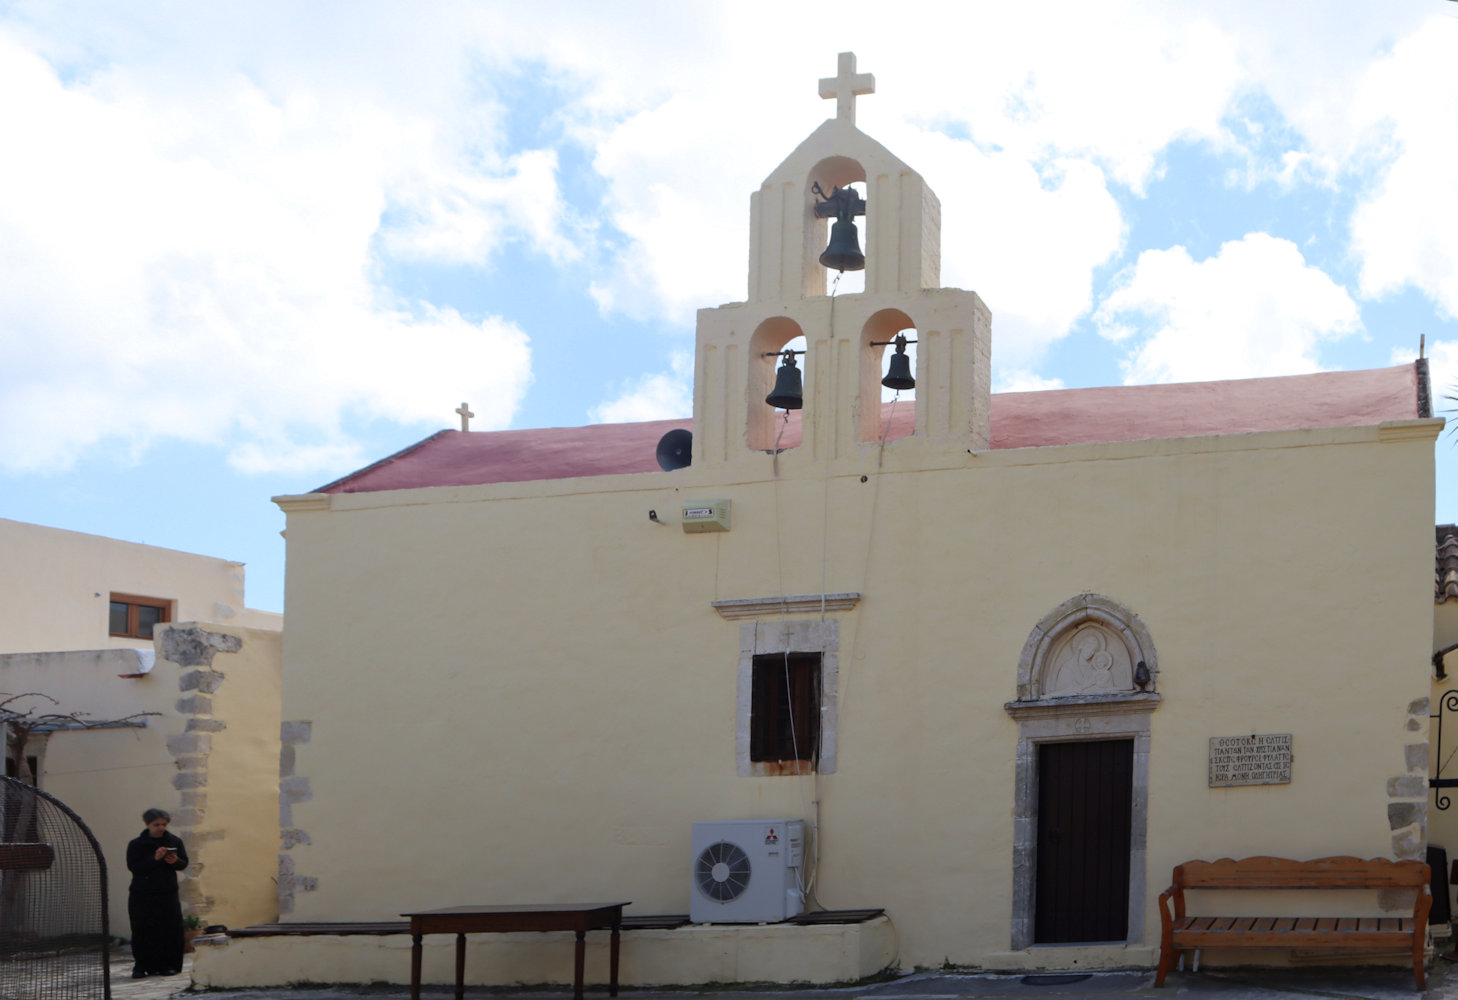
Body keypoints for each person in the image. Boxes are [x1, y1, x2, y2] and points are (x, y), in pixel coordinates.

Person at [126, 807, 189, 978]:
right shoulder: (136, 844)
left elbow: (183, 864)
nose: (160, 828)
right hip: (142, 894)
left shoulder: (174, 841)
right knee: (142, 929)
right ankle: (141, 965)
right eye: (156, 824)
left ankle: (167, 965)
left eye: (163, 824)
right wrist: (154, 859)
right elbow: (135, 867)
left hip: (166, 893)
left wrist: (174, 861)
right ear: (148, 825)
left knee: (168, 929)